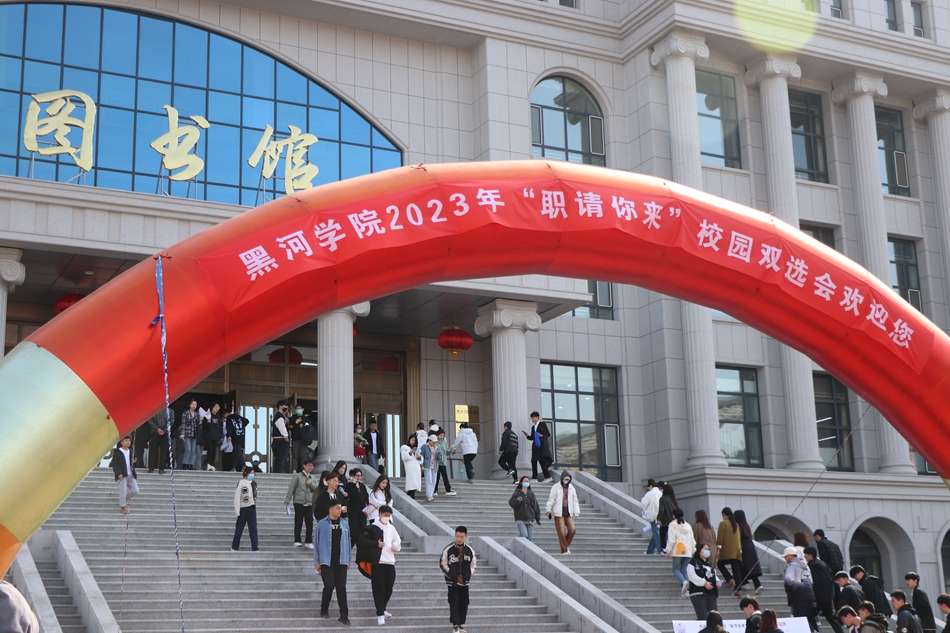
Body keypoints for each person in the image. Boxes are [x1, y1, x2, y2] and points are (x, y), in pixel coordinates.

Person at [314, 498, 350, 625]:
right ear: (330, 509)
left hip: (341, 560)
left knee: (341, 587)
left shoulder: (344, 524)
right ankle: (324, 608)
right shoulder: (322, 524)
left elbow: (348, 542)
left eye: (341, 508)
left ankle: (344, 614)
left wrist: (348, 560)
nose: (340, 510)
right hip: (326, 560)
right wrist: (317, 561)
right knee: (329, 585)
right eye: (337, 508)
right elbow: (316, 543)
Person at [366, 505, 400, 626]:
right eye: (385, 515)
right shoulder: (373, 527)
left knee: (389, 587)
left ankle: (382, 608)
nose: (387, 517)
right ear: (379, 514)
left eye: (389, 515)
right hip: (378, 562)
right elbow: (364, 541)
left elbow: (397, 539)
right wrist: (376, 544)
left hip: (390, 562)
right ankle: (380, 613)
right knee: (378, 588)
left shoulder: (391, 528)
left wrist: (395, 545)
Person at [440, 525, 476, 633]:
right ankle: (455, 625)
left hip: (465, 582)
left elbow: (473, 564)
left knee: (464, 603)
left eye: (461, 537)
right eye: (457, 536)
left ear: (465, 537)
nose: (459, 539)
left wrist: (468, 573)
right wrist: (450, 574)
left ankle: (460, 624)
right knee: (454, 602)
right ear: (455, 535)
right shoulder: (449, 549)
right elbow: (442, 563)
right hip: (453, 582)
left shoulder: (469, 550)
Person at [805, 546, 845, 633]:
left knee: (809, 616)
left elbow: (815, 583)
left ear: (810, 555)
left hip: (819, 597)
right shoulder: (823, 564)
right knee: (831, 618)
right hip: (828, 596)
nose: (804, 556)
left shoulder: (811, 566)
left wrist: (815, 599)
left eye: (806, 554)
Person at [284, 458, 316, 548]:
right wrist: (287, 500)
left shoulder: (312, 478)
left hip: (309, 502)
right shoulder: (297, 476)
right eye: (309, 465)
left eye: (312, 466)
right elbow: (291, 488)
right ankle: (297, 540)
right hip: (299, 502)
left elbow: (316, 489)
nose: (310, 467)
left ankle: (308, 541)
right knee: (299, 521)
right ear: (304, 465)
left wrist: (311, 484)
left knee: (309, 522)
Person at [546, 472, 580, 554]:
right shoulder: (556, 487)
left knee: (572, 529)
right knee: (561, 532)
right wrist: (548, 509)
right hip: (559, 513)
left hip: (568, 512)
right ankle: (565, 550)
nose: (566, 481)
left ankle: (566, 546)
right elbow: (551, 499)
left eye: (568, 479)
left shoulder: (571, 488)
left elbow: (575, 500)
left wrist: (576, 511)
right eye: (565, 479)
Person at [687, 541, 723, 619]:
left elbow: (713, 575)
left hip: (711, 593)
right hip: (698, 593)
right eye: (705, 549)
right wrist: (704, 583)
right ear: (699, 550)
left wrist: (717, 582)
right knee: (702, 617)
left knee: (715, 617)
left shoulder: (710, 563)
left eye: (708, 549)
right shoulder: (693, 562)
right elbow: (692, 576)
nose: (707, 551)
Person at [666, 507, 696, 596]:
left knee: (675, 569)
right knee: (684, 570)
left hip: (678, 550)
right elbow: (692, 539)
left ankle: (683, 582)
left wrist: (668, 551)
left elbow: (671, 539)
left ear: (674, 516)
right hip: (688, 551)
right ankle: (687, 591)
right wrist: (693, 550)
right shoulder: (688, 525)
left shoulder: (672, 525)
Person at [783, 546, 815, 621]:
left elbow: (788, 582)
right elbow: (811, 581)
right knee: (806, 619)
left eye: (786, 556)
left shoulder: (791, 566)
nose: (785, 558)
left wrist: (789, 592)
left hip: (798, 595)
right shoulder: (806, 566)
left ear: (791, 556)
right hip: (810, 594)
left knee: (799, 620)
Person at [734, 510, 762, 594]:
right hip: (750, 545)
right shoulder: (746, 525)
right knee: (750, 566)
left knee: (743, 565)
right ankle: (747, 583)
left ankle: (754, 584)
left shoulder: (737, 526)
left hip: (743, 546)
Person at [231, 466, 258, 551]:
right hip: (243, 508)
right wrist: (237, 510)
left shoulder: (254, 483)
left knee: (253, 529)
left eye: (253, 473)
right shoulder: (241, 482)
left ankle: (255, 548)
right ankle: (234, 547)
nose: (252, 475)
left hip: (252, 508)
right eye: (251, 473)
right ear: (246, 473)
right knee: (239, 529)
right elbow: (237, 496)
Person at [716, 507, 744, 588]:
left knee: (720, 564)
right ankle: (738, 589)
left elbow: (720, 537)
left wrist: (718, 549)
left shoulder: (723, 523)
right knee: (736, 569)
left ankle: (730, 579)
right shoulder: (736, 524)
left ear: (723, 514)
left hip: (727, 550)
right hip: (737, 550)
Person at [110, 436, 138, 514]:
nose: (128, 442)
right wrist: (118, 473)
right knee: (123, 490)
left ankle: (125, 497)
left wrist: (135, 461)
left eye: (129, 440)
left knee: (135, 490)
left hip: (131, 474)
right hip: (122, 475)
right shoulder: (118, 452)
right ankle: (123, 507)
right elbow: (115, 464)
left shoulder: (131, 451)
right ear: (121, 442)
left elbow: (135, 461)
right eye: (126, 440)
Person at [509, 476, 542, 541]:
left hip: (530, 518)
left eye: (527, 481)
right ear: (521, 483)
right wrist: (517, 500)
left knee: (529, 538)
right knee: (523, 534)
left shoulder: (531, 493)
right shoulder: (517, 493)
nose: (526, 483)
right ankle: (517, 542)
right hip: (520, 517)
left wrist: (537, 517)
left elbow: (535, 506)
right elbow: (511, 503)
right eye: (525, 481)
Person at [523, 411, 552, 482]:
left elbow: (548, 434)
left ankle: (548, 477)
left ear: (537, 417)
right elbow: (532, 437)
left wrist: (542, 435)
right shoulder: (533, 427)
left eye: (533, 418)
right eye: (531, 418)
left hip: (542, 445)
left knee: (542, 461)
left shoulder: (542, 424)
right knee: (534, 461)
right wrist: (527, 436)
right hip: (536, 446)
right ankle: (534, 477)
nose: (532, 419)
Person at [344, 468, 369, 546]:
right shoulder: (349, 485)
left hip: (362, 512)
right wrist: (353, 484)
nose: (358, 477)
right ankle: (348, 549)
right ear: (353, 476)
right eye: (357, 475)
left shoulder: (362, 486)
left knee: (362, 533)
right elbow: (349, 495)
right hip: (353, 511)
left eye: (360, 476)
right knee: (354, 534)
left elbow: (366, 497)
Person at [641, 479, 662, 555]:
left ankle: (660, 550)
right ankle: (650, 551)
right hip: (660, 516)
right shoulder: (660, 493)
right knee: (655, 534)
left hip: (653, 516)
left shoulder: (650, 493)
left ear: (650, 486)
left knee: (656, 533)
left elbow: (644, 502)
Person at [223, 408, 247, 472]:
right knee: (236, 452)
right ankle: (234, 467)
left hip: (235, 437)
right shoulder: (239, 417)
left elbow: (229, 428)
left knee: (238, 452)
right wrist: (243, 426)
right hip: (241, 436)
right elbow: (247, 421)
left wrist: (229, 435)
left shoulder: (229, 418)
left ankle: (244, 466)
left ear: (227, 414)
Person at [434, 429, 457, 496]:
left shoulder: (444, 442)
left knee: (444, 476)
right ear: (437, 435)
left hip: (443, 461)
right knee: (437, 477)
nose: (442, 437)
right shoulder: (435, 442)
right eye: (440, 435)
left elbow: (446, 452)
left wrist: (451, 450)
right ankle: (435, 490)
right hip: (437, 461)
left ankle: (447, 489)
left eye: (443, 435)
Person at [146, 407, 169, 473]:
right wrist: (157, 429)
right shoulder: (154, 410)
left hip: (165, 433)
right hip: (155, 432)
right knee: (153, 450)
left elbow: (171, 421)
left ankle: (161, 468)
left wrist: (164, 430)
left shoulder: (169, 410)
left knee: (163, 451)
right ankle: (151, 468)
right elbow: (150, 420)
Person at [657, 483, 678, 555]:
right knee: (672, 535)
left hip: (665, 521)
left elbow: (661, 510)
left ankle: (664, 549)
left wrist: (659, 519)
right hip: (674, 520)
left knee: (663, 535)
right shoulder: (673, 499)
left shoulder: (663, 499)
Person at [180, 398, 201, 470]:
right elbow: (183, 424)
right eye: (192, 404)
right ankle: (185, 464)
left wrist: (200, 421)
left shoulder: (197, 414)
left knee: (193, 450)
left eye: (195, 404)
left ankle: (191, 464)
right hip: (187, 434)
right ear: (190, 405)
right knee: (188, 449)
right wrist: (182, 434)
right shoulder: (185, 413)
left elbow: (198, 425)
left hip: (194, 434)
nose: (194, 406)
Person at [400, 434, 423, 499]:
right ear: (409, 439)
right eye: (412, 440)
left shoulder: (416, 449)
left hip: (416, 467)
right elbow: (404, 457)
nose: (413, 442)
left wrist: (419, 457)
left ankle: (410, 492)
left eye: (414, 441)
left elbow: (420, 459)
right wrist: (410, 452)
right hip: (410, 467)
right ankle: (412, 494)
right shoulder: (404, 447)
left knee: (415, 481)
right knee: (411, 481)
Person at [271, 400, 290, 474]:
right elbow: (281, 426)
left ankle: (279, 469)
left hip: (278, 440)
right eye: (285, 406)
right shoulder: (279, 416)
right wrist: (285, 436)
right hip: (281, 440)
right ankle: (280, 470)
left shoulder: (279, 415)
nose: (286, 409)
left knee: (280, 456)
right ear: (280, 406)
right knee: (282, 456)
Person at [421, 434, 440, 501]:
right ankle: (429, 495)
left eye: (435, 442)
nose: (434, 443)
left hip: (435, 465)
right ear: (430, 440)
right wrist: (421, 465)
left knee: (434, 481)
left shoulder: (437, 447)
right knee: (429, 480)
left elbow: (439, 458)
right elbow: (421, 456)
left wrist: (439, 456)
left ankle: (431, 494)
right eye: (433, 442)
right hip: (427, 465)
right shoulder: (424, 447)